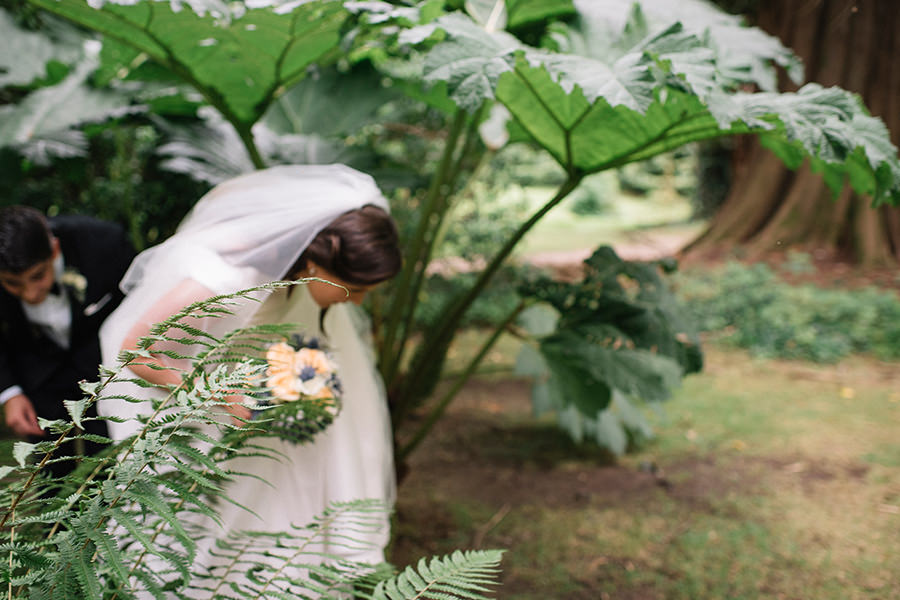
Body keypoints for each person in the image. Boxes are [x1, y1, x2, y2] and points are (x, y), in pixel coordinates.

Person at [96, 164, 402, 575]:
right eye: (356, 290)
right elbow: (136, 351)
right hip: (194, 405)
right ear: (315, 263)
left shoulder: (295, 268)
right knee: (200, 532)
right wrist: (218, 393)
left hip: (247, 407)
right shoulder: (221, 280)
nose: (358, 303)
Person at [0, 206, 134, 478]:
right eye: (13, 284)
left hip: (104, 371)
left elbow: (139, 304)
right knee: (52, 474)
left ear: (55, 249)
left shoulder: (105, 244)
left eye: (37, 276)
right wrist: (9, 392)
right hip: (39, 374)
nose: (28, 293)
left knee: (110, 465)